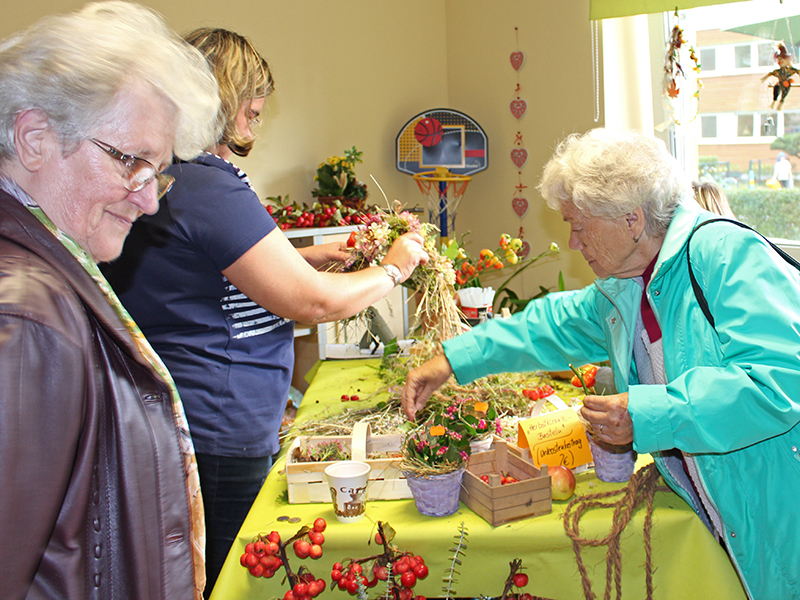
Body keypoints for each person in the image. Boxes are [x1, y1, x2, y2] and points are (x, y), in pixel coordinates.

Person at [402, 128, 800, 600]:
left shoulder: (727, 253)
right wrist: (452, 359)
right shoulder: (627, 283)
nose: (573, 242)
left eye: (578, 225)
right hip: (731, 512)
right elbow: (549, 326)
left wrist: (645, 414)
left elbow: (777, 382)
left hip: (778, 509)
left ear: (632, 220)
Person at [102, 28, 428, 597]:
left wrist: (309, 257)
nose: (255, 124)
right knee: (224, 579)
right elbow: (312, 301)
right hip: (216, 427)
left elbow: (215, 272)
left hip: (195, 418)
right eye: (252, 109)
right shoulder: (205, 184)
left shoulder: (177, 175)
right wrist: (393, 269)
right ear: (222, 98)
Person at [0, 3, 221, 599]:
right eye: (131, 163)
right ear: (34, 138)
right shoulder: (24, 316)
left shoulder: (52, 278)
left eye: (158, 173)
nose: (148, 202)